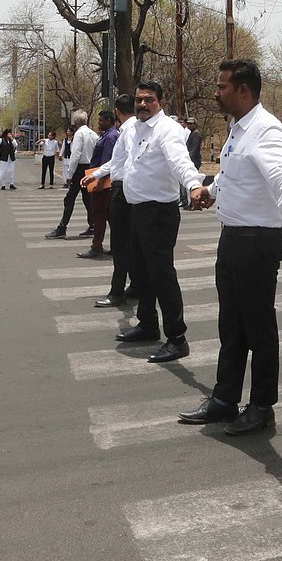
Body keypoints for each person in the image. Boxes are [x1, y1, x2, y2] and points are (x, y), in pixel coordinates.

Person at [179, 59, 282, 436]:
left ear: (242, 90)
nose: (216, 93)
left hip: (257, 242)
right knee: (231, 326)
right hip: (234, 238)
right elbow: (233, 171)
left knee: (258, 328)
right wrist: (211, 190)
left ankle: (261, 406)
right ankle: (224, 399)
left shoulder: (265, 130)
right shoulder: (239, 129)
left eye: (221, 87)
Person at [108, 82, 204, 363]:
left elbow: (180, 162)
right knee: (140, 273)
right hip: (136, 210)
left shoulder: (168, 131)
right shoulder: (134, 129)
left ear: (160, 102)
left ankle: (177, 338)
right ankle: (147, 324)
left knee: (161, 275)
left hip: (159, 213)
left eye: (148, 100)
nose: (142, 104)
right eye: (138, 100)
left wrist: (193, 185)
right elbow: (123, 163)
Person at [84, 94, 138, 306]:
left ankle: (117, 292)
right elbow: (116, 162)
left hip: (123, 190)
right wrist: (95, 175)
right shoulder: (126, 131)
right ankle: (135, 285)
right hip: (123, 187)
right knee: (127, 243)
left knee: (121, 244)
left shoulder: (130, 130)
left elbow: (131, 161)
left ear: (117, 111)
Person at [45, 111, 99, 239]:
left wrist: (70, 175)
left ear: (76, 121)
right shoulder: (93, 134)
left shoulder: (79, 134)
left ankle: (62, 227)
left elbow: (75, 156)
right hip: (90, 168)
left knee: (69, 199)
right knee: (88, 199)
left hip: (79, 169)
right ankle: (92, 225)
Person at [76, 110, 116, 259]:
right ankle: (115, 245)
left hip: (102, 181)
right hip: (100, 177)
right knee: (107, 215)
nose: (99, 123)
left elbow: (106, 161)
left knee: (99, 214)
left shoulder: (111, 137)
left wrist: (99, 181)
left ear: (109, 120)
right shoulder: (107, 135)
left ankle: (97, 246)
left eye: (101, 121)